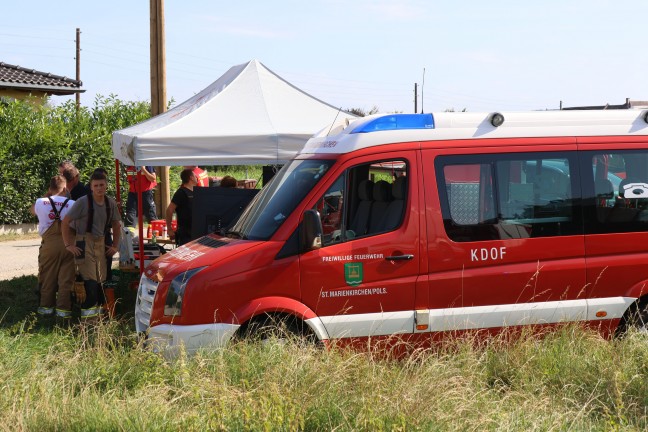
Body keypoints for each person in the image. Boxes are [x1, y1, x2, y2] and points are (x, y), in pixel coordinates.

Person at [62, 171, 121, 321]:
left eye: (102, 185)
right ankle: (88, 322)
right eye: (96, 186)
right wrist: (68, 244)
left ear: (106, 186)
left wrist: (115, 246)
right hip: (84, 242)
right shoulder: (82, 202)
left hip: (101, 243)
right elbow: (65, 221)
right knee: (91, 283)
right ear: (91, 187)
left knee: (101, 281)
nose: (99, 188)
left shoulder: (110, 203)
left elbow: (116, 224)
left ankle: (100, 318)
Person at [31, 175, 75, 323]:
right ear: (65, 188)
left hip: (49, 245)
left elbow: (32, 211)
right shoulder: (73, 203)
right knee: (66, 279)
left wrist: (47, 195)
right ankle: (63, 313)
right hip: (69, 244)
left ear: (50, 189)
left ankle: (45, 311)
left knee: (48, 277)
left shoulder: (40, 202)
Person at [166, 168, 197, 246]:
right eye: (195, 176)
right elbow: (169, 210)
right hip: (185, 234)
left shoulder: (196, 192)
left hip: (195, 232)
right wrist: (169, 229)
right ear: (191, 177)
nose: (197, 178)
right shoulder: (181, 192)